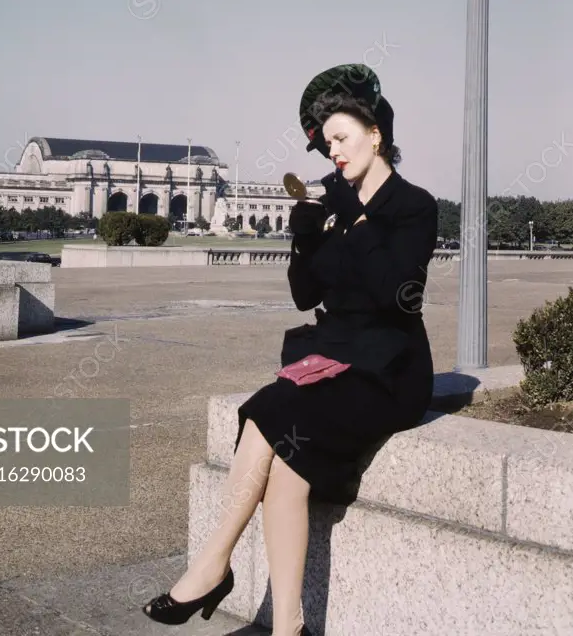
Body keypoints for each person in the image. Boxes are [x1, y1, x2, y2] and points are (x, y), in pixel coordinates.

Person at [141, 64, 438, 635]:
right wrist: (304, 239)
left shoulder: (413, 206)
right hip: (333, 356)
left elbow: (397, 295)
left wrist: (351, 214)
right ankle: (288, 627)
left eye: (342, 139)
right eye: (327, 144)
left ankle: (210, 566)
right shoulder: (333, 202)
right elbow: (307, 296)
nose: (334, 153)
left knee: (268, 411)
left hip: (390, 367)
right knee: (283, 469)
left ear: (376, 136)